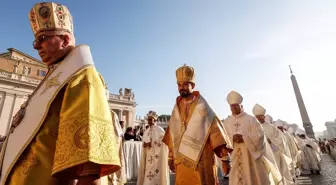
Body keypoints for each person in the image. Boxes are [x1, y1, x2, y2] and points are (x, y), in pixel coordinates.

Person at [0, 2, 121, 185]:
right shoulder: (55, 78)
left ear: (64, 39)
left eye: (42, 38)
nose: (35, 46)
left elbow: (89, 160)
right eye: (35, 40)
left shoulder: (83, 77)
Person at [162, 64, 231, 185]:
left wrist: (225, 158)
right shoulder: (177, 108)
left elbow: (215, 131)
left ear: (192, 85)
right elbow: (173, 134)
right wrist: (170, 157)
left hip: (201, 159)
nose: (181, 87)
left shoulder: (203, 107)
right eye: (179, 85)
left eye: (185, 84)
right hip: (181, 161)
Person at [223, 91, 281, 185]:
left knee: (253, 177)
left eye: (236, 105)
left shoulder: (251, 119)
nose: (234, 108)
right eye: (232, 106)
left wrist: (245, 138)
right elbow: (224, 137)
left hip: (250, 155)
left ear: (241, 106)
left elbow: (260, 135)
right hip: (234, 156)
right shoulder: (227, 122)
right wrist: (232, 137)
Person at [252, 104, 293, 185]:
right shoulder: (253, 127)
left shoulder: (272, 127)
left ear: (264, 116)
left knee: (276, 172)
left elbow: (281, 139)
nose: (259, 118)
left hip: (274, 153)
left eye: (261, 116)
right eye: (257, 116)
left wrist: (270, 141)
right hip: (261, 155)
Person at [137, 111, 170, 185]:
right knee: (148, 170)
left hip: (157, 157)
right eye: (148, 119)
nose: (148, 121)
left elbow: (164, 142)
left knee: (156, 172)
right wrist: (144, 145)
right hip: (148, 155)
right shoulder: (147, 131)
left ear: (154, 120)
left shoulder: (160, 130)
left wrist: (152, 143)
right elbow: (144, 141)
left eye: (150, 119)